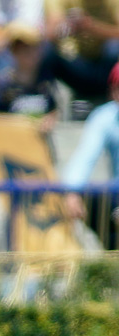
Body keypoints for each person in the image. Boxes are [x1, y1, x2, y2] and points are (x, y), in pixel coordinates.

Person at [44, 0, 119, 103]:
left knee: (115, 47)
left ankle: (112, 95)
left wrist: (90, 26)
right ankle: (49, 105)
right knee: (46, 51)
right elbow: (50, 32)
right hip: (77, 60)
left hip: (109, 61)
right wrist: (64, 27)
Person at [62, 61, 119, 249]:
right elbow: (85, 156)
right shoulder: (105, 116)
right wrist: (72, 191)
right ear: (112, 92)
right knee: (91, 202)